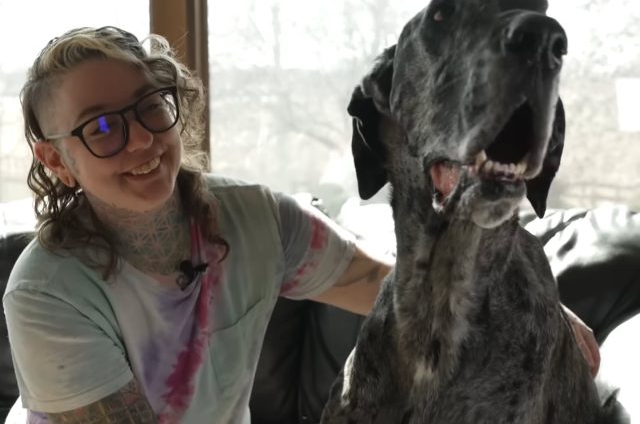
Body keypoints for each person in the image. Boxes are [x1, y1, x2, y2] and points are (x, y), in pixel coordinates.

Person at [3, 26, 599, 424]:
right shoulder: (46, 293)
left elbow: (379, 282)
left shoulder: (254, 218)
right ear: (56, 160)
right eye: (101, 128)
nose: (140, 140)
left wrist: (534, 305)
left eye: (149, 106)